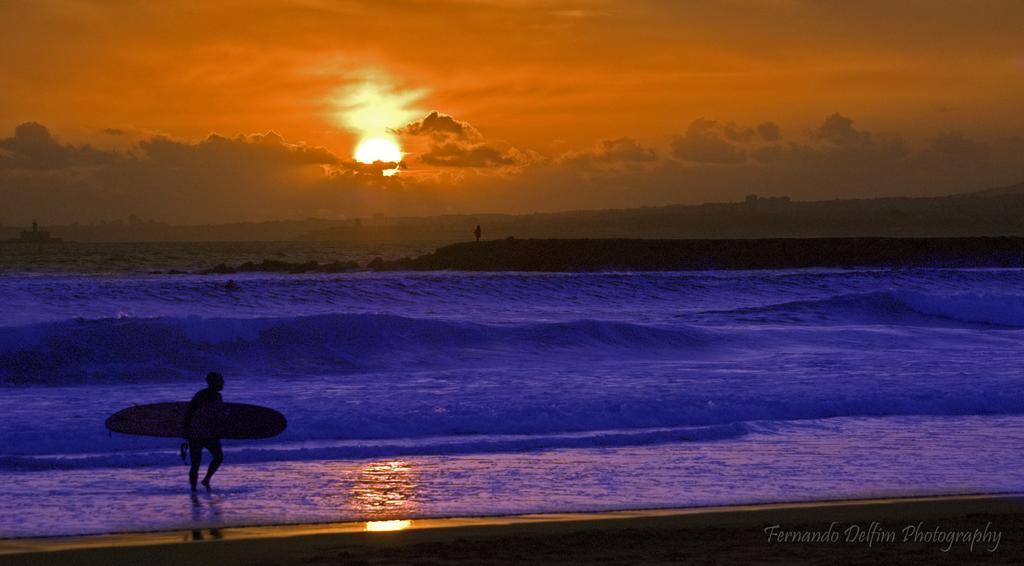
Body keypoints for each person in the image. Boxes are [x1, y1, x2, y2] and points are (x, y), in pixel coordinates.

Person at [183, 372, 226, 491]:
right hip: (198, 434)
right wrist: (186, 430)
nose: (223, 383)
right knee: (197, 463)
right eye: (220, 381)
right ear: (213, 382)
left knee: (217, 457)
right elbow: (189, 413)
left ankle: (203, 482)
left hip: (205, 433)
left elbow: (218, 416)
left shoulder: (216, 396)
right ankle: (195, 487)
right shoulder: (202, 396)